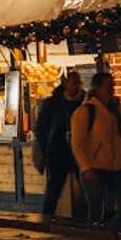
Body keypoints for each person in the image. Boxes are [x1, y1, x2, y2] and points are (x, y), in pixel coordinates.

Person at [70, 73, 121, 233]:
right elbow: (78, 143)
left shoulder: (116, 110)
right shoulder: (85, 112)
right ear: (97, 88)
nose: (111, 90)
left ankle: (111, 236)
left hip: (116, 167)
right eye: (108, 86)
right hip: (95, 168)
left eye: (112, 86)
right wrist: (86, 167)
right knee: (96, 211)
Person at [35, 70, 85, 227]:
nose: (76, 87)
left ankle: (88, 219)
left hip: (80, 152)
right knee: (54, 188)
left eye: (79, 83)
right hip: (57, 151)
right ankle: (46, 218)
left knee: (86, 187)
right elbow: (41, 128)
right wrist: (46, 148)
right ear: (65, 84)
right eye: (73, 83)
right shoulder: (53, 103)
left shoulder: (85, 102)